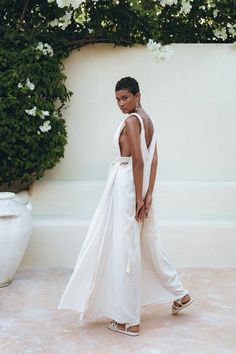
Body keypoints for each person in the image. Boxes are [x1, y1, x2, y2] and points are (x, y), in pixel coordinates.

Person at [58, 76, 193, 336]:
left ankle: (130, 320)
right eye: (117, 99)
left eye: (125, 98)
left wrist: (140, 198)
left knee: (126, 248)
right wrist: (148, 193)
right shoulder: (148, 120)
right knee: (145, 242)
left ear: (138, 95)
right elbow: (154, 161)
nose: (121, 104)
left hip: (127, 186)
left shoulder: (132, 121)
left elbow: (141, 161)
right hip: (137, 186)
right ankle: (180, 293)